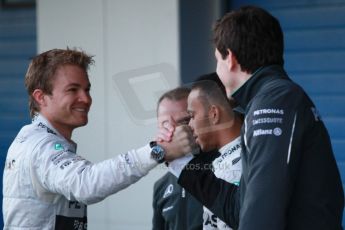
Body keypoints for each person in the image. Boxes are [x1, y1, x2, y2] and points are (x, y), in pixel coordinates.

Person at [162, 6, 344, 230]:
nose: (217, 70)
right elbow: (241, 210)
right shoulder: (267, 101)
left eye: (217, 60)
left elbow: (261, 214)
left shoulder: (275, 101)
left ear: (230, 58)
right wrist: (182, 162)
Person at [2, 48, 195, 230]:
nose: (85, 99)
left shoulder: (34, 139)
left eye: (87, 89)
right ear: (41, 97)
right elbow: (85, 184)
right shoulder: (40, 145)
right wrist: (158, 151)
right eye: (72, 90)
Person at [186, 74, 243, 230]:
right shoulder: (225, 158)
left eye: (192, 116)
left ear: (214, 114)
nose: (189, 125)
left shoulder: (239, 164)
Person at [152, 87, 203, 230]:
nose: (174, 132)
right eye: (166, 125)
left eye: (183, 122)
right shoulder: (161, 187)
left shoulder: (224, 172)